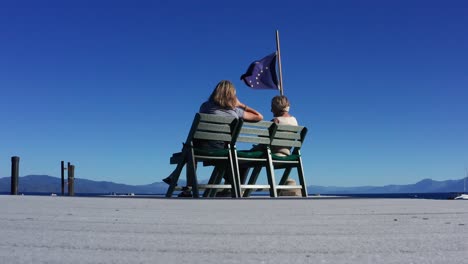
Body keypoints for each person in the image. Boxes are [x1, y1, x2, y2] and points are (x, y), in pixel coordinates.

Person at [163, 80, 263, 196]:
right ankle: (180, 179)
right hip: (223, 149)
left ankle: (187, 188)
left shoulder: (205, 106)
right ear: (232, 96)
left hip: (202, 147)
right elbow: (259, 116)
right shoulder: (236, 111)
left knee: (190, 149)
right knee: (191, 148)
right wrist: (241, 105)